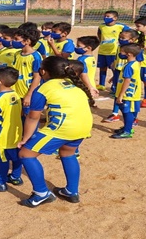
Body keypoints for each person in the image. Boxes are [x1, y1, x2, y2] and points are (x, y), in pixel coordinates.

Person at [17, 58, 94, 207]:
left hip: (63, 128)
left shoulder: (43, 88)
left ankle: (41, 193)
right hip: (83, 126)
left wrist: (25, 138)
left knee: (25, 154)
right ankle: (71, 191)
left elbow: (33, 117)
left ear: (43, 71)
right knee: (67, 153)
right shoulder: (73, 83)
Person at [103, 29, 144, 123]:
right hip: (119, 72)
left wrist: (134, 75)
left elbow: (139, 63)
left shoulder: (136, 50)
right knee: (117, 93)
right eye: (120, 37)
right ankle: (115, 114)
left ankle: (134, 118)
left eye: (123, 38)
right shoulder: (120, 47)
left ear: (132, 40)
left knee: (130, 96)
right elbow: (117, 58)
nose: (120, 39)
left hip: (129, 74)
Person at [110, 43, 143, 139]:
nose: (120, 54)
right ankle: (126, 127)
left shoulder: (129, 66)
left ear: (129, 54)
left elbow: (127, 81)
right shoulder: (134, 63)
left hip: (128, 94)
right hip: (131, 93)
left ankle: (128, 131)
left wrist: (121, 95)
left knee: (127, 112)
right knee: (126, 111)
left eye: (122, 52)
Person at [12, 28, 43, 117]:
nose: (14, 41)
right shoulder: (17, 54)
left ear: (27, 41)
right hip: (16, 91)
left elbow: (37, 77)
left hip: (27, 92)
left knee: (28, 116)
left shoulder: (35, 57)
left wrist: (29, 95)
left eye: (16, 39)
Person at [97, 10, 130, 91]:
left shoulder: (121, 26)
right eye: (105, 16)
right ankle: (101, 84)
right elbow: (99, 34)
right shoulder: (101, 26)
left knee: (114, 68)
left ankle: (115, 85)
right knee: (102, 68)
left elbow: (130, 34)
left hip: (113, 52)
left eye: (108, 16)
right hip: (102, 50)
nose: (105, 18)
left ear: (115, 18)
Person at [75, 36, 101, 100]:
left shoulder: (81, 59)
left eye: (78, 46)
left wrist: (90, 87)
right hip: (91, 84)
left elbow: (83, 74)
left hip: (84, 86)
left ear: (88, 48)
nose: (76, 48)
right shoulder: (92, 58)